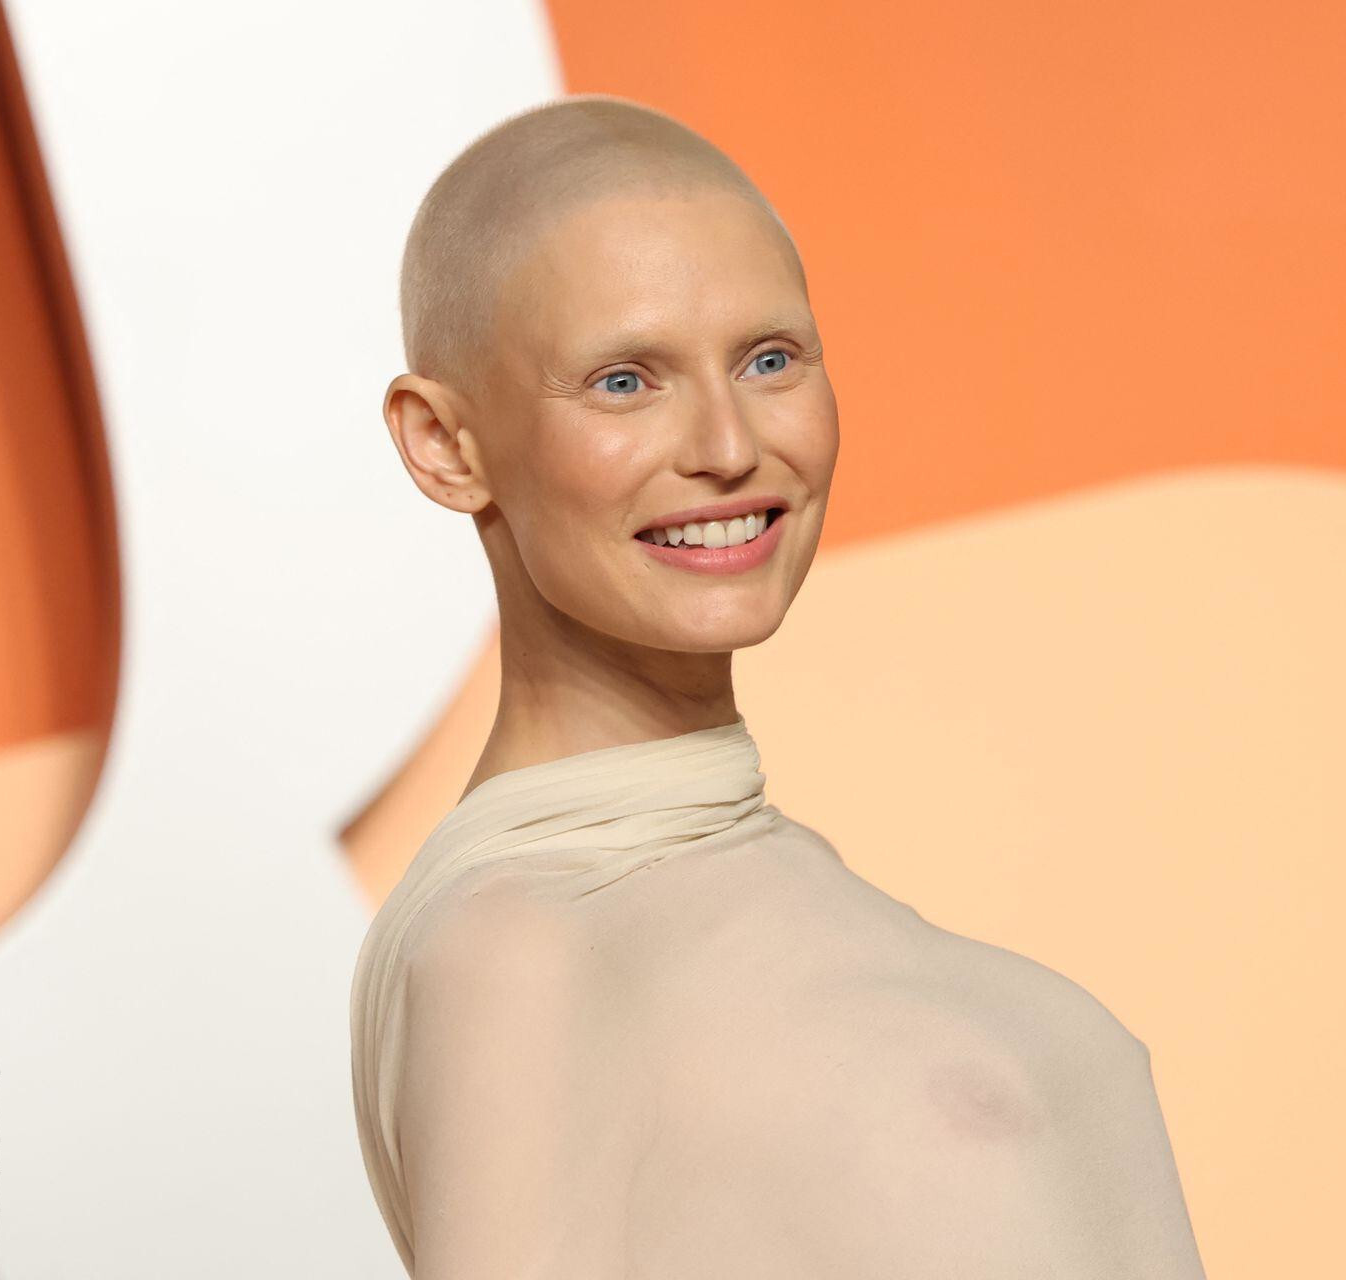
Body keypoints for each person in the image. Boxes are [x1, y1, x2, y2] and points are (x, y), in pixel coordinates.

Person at [349, 93, 1208, 1279]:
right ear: (446, 444)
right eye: (624, 380)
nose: (728, 444)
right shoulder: (514, 944)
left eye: (768, 359)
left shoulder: (750, 874)